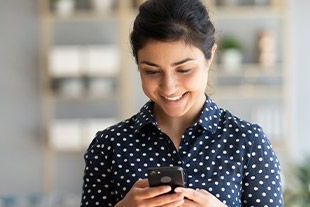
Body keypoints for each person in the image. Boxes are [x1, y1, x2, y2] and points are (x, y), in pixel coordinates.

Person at [80, 0, 284, 206]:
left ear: (210, 56)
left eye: (184, 69)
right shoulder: (109, 146)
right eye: (152, 71)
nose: (169, 87)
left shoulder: (248, 143)